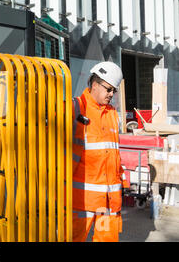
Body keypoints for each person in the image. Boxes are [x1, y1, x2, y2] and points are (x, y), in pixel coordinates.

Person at [71, 61, 130, 242]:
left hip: (108, 202)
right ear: (95, 85)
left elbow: (113, 154)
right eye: (109, 89)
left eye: (114, 91)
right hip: (82, 201)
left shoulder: (112, 114)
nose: (112, 94)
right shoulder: (75, 108)